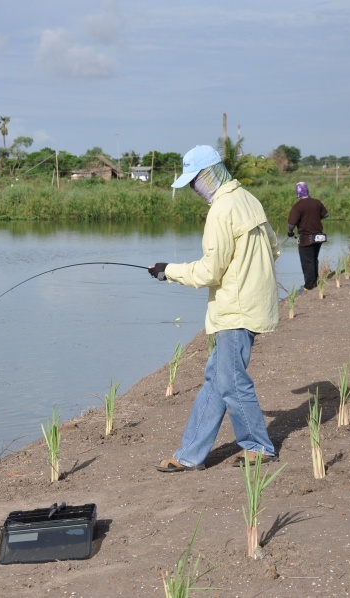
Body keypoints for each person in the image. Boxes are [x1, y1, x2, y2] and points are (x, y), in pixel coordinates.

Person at [147, 145, 279, 472]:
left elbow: (210, 272)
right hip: (251, 303)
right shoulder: (248, 199)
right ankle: (190, 455)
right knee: (216, 380)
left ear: (208, 175)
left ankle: (259, 447)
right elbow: (274, 248)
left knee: (232, 381)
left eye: (195, 181)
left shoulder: (221, 210)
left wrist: (169, 270)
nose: (194, 188)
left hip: (235, 309)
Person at [287, 182, 329, 291]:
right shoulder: (317, 203)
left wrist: (290, 232)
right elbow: (326, 215)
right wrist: (315, 218)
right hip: (318, 237)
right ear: (307, 190)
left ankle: (310, 286)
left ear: (297, 192)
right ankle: (315, 282)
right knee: (314, 259)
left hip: (306, 239)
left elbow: (291, 224)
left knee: (307, 262)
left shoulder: (298, 206)